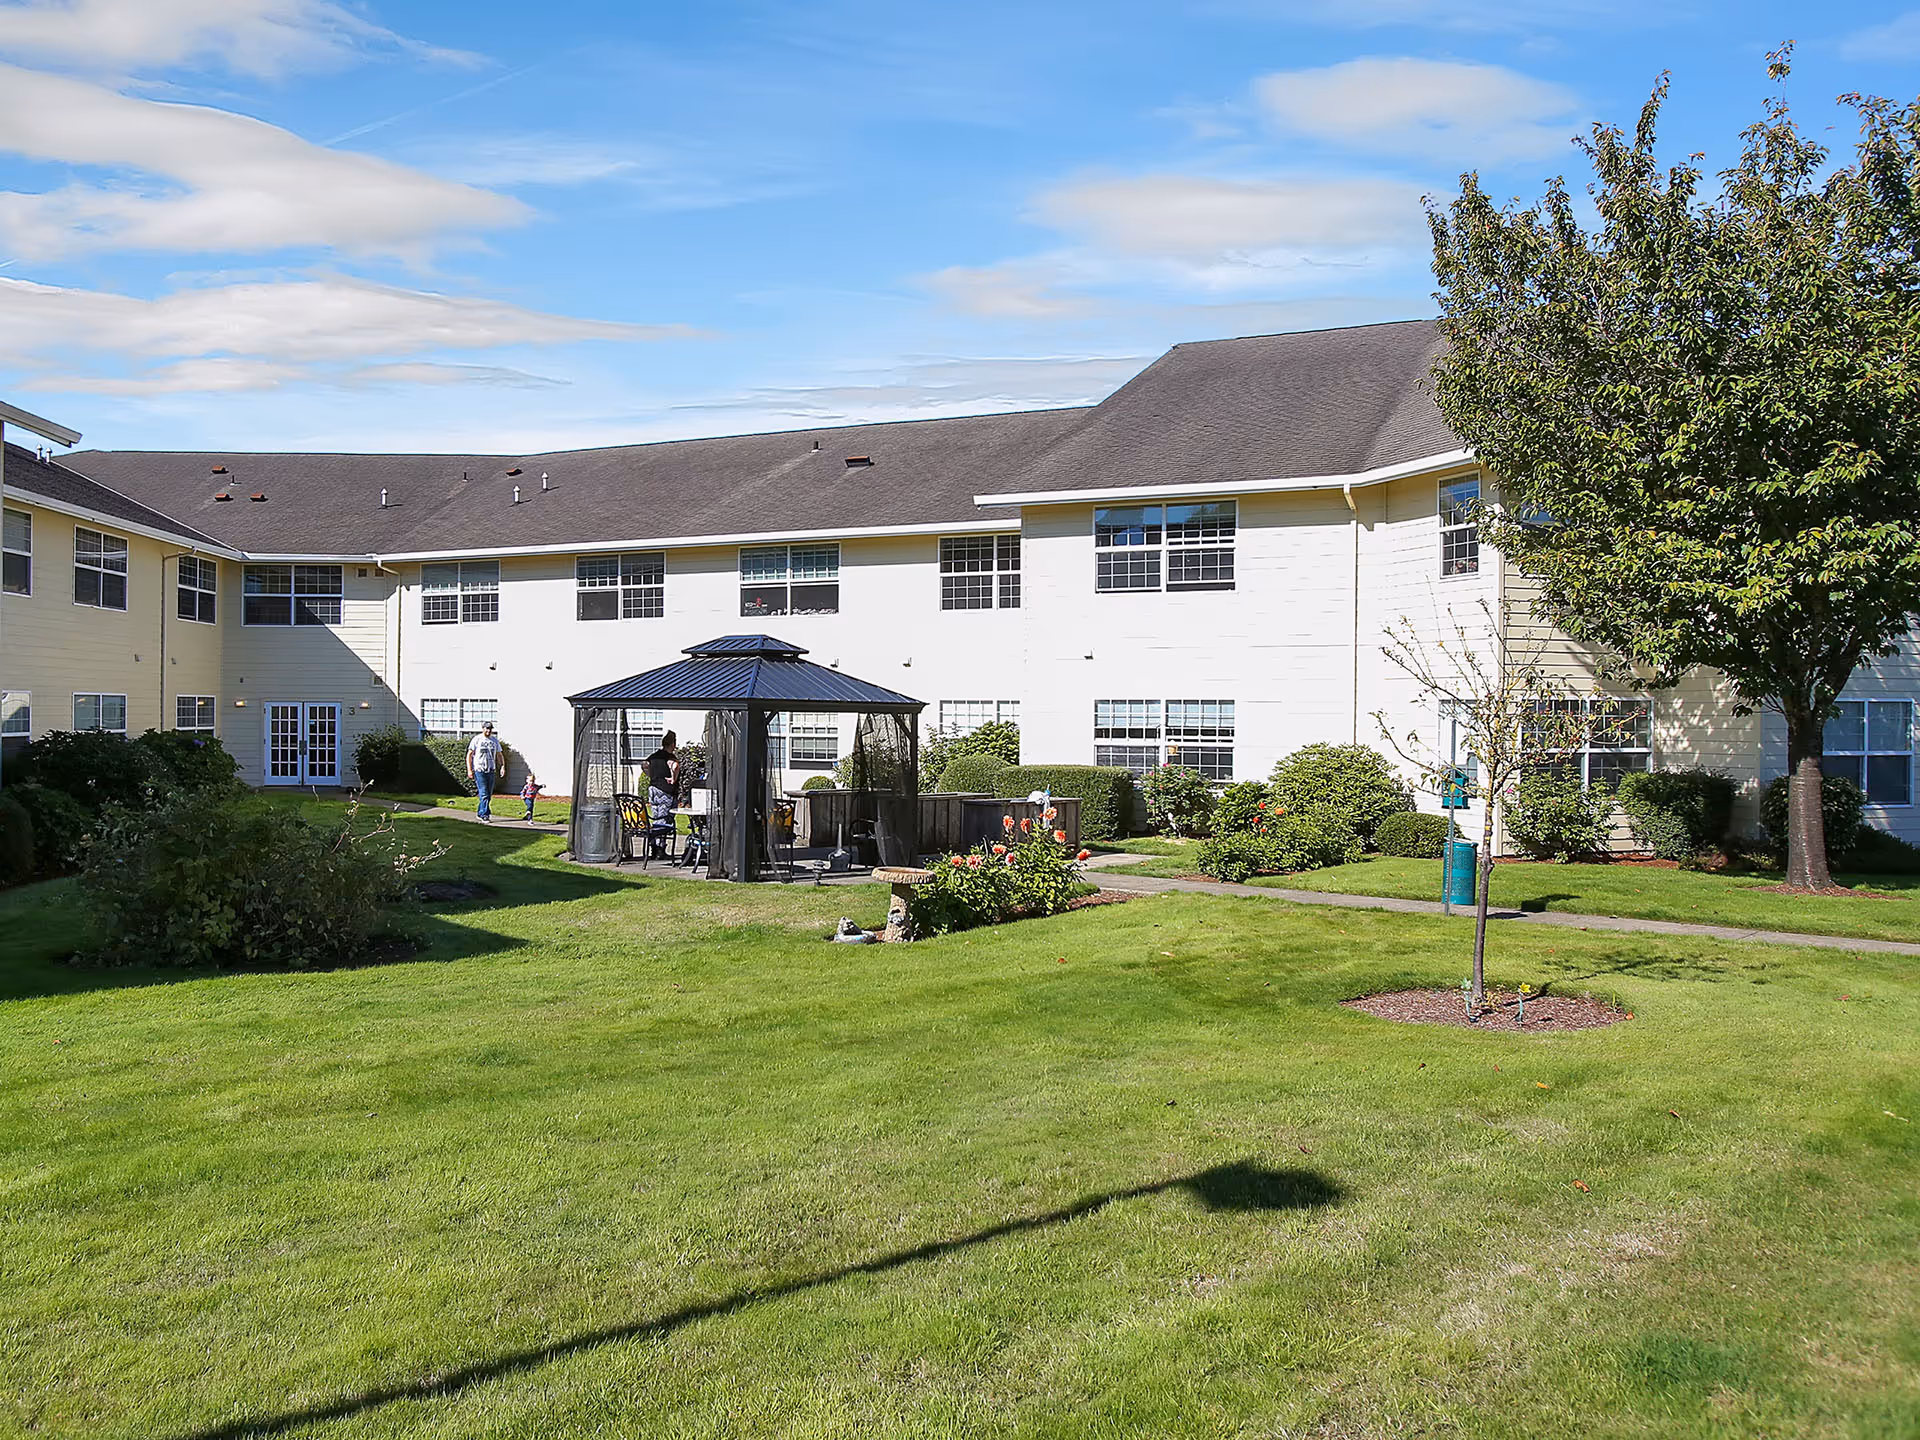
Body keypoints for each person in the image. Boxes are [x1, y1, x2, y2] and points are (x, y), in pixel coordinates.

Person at [644, 731, 678, 849]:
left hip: (653, 789)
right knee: (664, 818)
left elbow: (644, 765)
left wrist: (650, 775)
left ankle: (654, 845)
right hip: (665, 791)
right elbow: (675, 766)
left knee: (656, 816)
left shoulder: (654, 756)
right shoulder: (669, 757)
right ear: (672, 745)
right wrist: (673, 778)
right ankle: (659, 848)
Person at [466, 721, 503, 822]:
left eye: (490, 729)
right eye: (487, 728)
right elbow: (469, 754)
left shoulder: (494, 740)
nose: (488, 730)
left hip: (491, 769)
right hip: (480, 769)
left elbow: (499, 754)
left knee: (488, 794)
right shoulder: (477, 739)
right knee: (484, 793)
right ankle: (485, 815)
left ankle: (480, 812)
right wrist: (469, 769)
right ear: (483, 729)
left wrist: (502, 766)